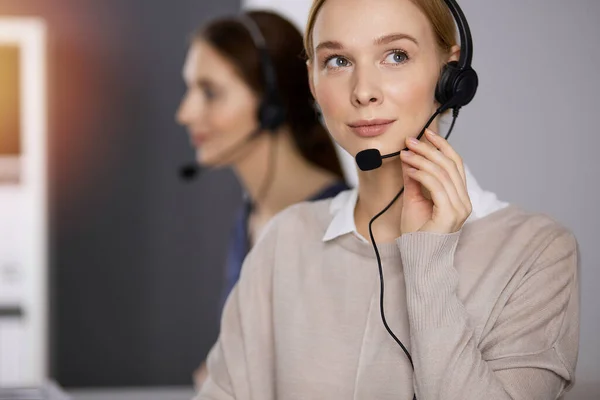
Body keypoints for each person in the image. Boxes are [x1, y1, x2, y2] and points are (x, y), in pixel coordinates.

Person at [195, 0, 580, 399]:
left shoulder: (536, 253)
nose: (363, 92)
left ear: (451, 75)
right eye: (338, 61)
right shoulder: (284, 243)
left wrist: (427, 258)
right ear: (312, 80)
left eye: (396, 56)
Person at [176, 10, 350, 389]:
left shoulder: (335, 226)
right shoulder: (251, 216)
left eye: (210, 92)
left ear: (270, 106)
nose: (185, 113)